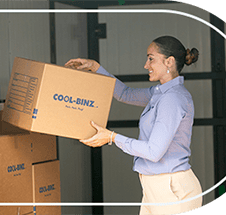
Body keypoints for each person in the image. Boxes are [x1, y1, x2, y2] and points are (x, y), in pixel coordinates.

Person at [65, 35, 203, 215]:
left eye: (151, 59)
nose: (146, 65)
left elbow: (153, 152)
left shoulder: (172, 99)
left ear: (169, 62)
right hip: (155, 188)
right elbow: (126, 94)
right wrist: (95, 68)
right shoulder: (160, 93)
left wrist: (112, 137)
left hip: (171, 190)